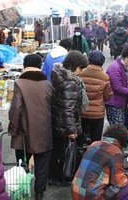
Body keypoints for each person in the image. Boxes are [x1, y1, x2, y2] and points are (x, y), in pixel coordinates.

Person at [8, 54, 53, 200]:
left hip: (23, 133)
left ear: (24, 65)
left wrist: (13, 130)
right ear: (40, 66)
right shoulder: (48, 84)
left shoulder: (19, 83)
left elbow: (16, 109)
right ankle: (39, 194)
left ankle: (23, 191)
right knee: (42, 166)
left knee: (23, 165)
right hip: (44, 132)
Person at [49, 50, 88, 186]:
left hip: (57, 121)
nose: (81, 71)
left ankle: (53, 176)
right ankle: (60, 178)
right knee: (64, 154)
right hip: (64, 125)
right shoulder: (71, 83)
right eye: (80, 68)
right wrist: (72, 130)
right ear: (73, 65)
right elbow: (68, 110)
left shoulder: (59, 75)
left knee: (57, 152)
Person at [72, 124, 128, 200]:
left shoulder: (94, 144)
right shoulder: (116, 152)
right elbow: (119, 182)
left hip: (75, 191)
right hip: (92, 196)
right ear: (123, 141)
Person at [78, 51, 113, 144]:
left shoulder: (80, 73)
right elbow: (107, 97)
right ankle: (93, 156)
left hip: (82, 111)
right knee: (96, 140)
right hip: (97, 114)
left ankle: (78, 157)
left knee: (79, 139)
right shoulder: (105, 77)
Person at [105, 46, 128, 126]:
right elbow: (117, 88)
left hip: (120, 102)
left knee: (121, 126)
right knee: (117, 127)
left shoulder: (122, 66)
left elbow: (124, 81)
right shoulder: (114, 68)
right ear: (127, 58)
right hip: (114, 103)